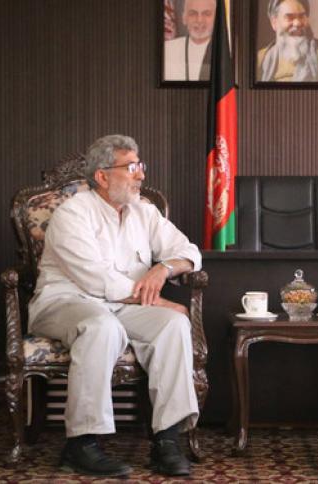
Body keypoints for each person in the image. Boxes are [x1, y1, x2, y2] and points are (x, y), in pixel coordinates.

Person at [28, 134, 202, 477]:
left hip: (123, 306)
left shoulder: (144, 212)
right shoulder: (72, 213)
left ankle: (166, 440)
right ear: (102, 176)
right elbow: (96, 281)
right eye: (132, 167)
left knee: (173, 325)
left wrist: (163, 268)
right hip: (65, 302)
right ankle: (81, 443)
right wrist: (158, 299)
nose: (141, 175)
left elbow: (189, 252)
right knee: (100, 326)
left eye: (141, 166)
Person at [256, 0, 318, 82]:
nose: (297, 23)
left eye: (302, 16)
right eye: (289, 17)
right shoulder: (260, 60)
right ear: (274, 23)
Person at [164, 0, 216, 81]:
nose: (199, 20)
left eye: (206, 14)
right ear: (184, 18)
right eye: (193, 13)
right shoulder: (167, 50)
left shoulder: (226, 51)